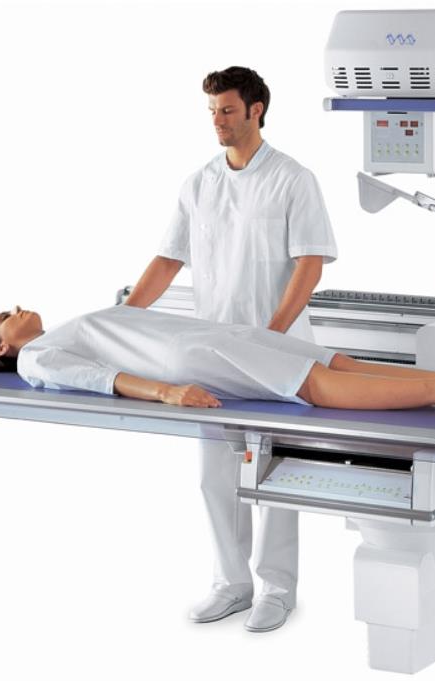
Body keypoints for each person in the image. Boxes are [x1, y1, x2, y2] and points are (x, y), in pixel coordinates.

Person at [122, 65, 339, 632]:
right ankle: (231, 583)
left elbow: (309, 264)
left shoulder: (292, 179)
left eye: (227, 110)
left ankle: (278, 589)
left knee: (274, 474)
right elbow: (168, 259)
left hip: (275, 352)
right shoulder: (198, 184)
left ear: (256, 110)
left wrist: (272, 334)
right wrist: (121, 320)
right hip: (212, 354)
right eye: (213, 112)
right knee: (215, 475)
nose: (217, 121)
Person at [0, 304, 435, 414]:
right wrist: (167, 393)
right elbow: (100, 378)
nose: (16, 307)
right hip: (187, 357)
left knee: (336, 362)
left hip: (207, 333)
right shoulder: (35, 359)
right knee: (313, 384)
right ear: (2, 348)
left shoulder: (60, 331)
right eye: (3, 317)